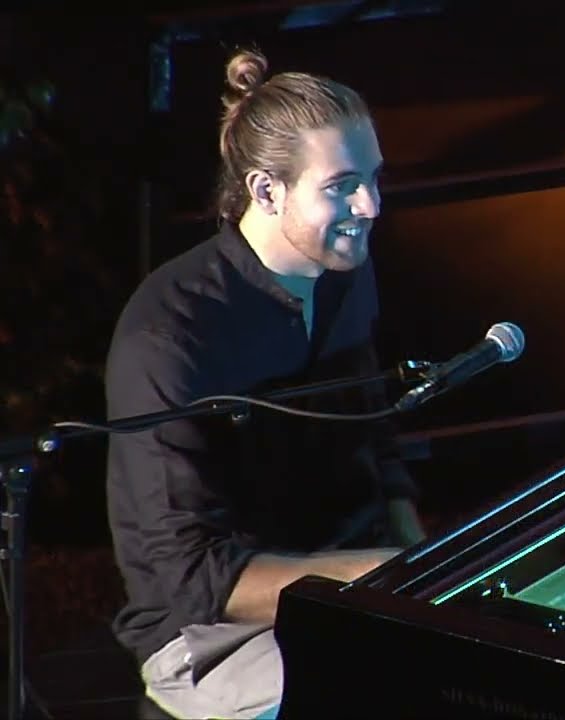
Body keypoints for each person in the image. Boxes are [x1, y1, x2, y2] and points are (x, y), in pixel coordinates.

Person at [103, 47, 425, 720]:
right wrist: (391, 580)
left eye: (373, 177)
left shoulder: (344, 273)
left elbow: (378, 438)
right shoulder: (169, 334)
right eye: (342, 185)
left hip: (352, 587)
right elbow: (196, 580)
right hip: (211, 637)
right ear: (266, 190)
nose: (371, 204)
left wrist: (431, 570)